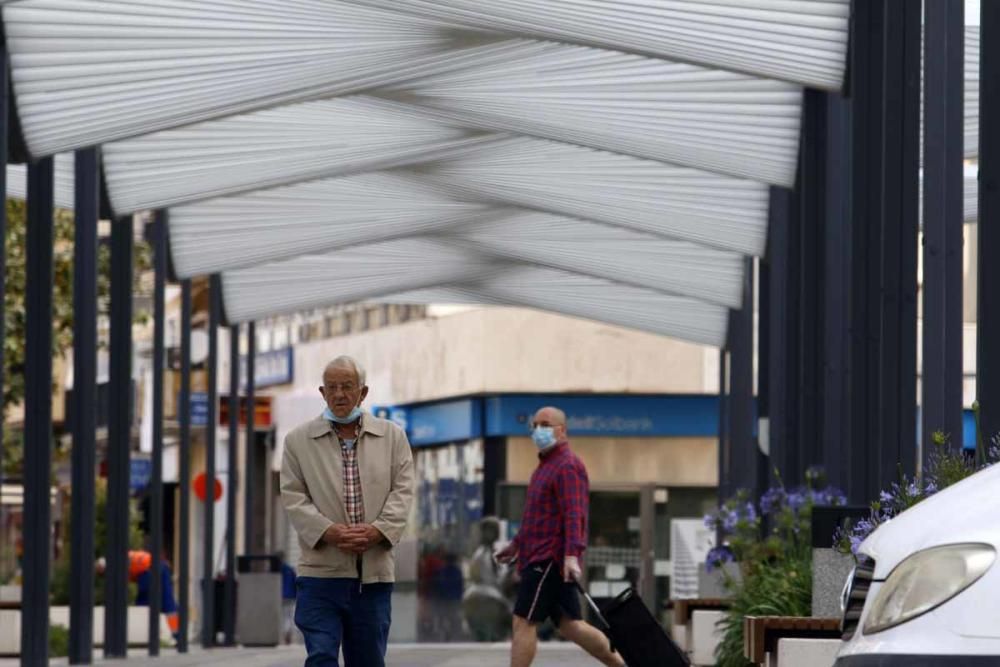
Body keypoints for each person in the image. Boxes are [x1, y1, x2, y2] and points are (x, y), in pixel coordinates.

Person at [281, 355, 415, 667]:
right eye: (332, 387)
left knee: (368, 660)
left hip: (374, 575)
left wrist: (379, 530)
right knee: (322, 656)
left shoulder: (392, 436)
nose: (339, 394)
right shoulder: (298, 441)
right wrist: (328, 531)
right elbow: (293, 496)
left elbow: (403, 490)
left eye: (347, 386)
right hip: (320, 574)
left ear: (363, 392)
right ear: (322, 392)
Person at [494, 407, 624, 667]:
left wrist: (572, 554)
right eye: (535, 425)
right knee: (571, 625)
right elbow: (535, 517)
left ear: (562, 430)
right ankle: (622, 664)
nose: (538, 430)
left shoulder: (568, 465)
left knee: (523, 620)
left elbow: (575, 514)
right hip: (538, 555)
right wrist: (516, 545)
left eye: (545, 424)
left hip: (549, 557)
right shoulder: (544, 467)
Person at [96, 550, 180, 640]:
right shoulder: (119, 557)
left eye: (103, 574)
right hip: (161, 567)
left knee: (143, 605)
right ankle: (178, 635)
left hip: (148, 571)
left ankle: (154, 637)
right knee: (168, 603)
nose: (105, 576)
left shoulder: (116, 565)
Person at [278, 552, 298, 644]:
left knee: (284, 615)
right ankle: (289, 632)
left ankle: (286, 633)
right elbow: (295, 583)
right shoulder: (290, 569)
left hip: (282, 596)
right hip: (291, 596)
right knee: (290, 615)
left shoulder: (279, 570)